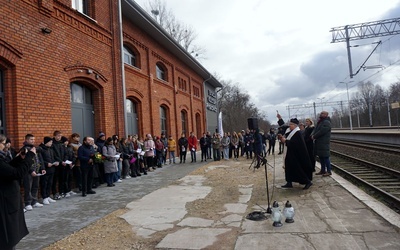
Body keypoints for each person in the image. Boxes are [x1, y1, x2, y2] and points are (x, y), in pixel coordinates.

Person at [0, 134, 36, 250]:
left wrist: (19, 158)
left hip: (8, 199)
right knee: (8, 235)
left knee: (12, 233)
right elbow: (16, 173)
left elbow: (8, 168)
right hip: (4, 202)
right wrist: (30, 157)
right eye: (4, 143)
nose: (6, 146)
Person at [277, 117, 313, 190]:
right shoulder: (292, 132)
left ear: (295, 125)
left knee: (298, 169)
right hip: (290, 154)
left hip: (296, 156)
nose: (289, 125)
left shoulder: (297, 133)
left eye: (291, 124)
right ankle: (289, 182)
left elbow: (296, 144)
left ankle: (307, 181)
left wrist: (285, 141)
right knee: (288, 168)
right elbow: (284, 128)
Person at [22, 134, 45, 211]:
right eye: (31, 139)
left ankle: (34, 201)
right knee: (28, 188)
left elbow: (39, 159)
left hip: (37, 170)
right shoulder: (24, 149)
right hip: (28, 173)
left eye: (33, 139)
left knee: (35, 186)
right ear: (26, 140)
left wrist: (42, 168)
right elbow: (25, 162)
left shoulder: (35, 149)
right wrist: (31, 170)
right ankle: (28, 203)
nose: (33, 141)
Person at [311, 111, 332, 176]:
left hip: (324, 142)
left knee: (325, 157)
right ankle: (323, 170)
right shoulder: (320, 121)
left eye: (323, 113)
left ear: (326, 115)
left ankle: (329, 171)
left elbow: (322, 131)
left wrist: (314, 136)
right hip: (320, 142)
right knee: (321, 157)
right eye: (321, 113)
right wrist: (312, 135)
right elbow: (316, 129)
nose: (321, 114)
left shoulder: (326, 122)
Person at [39, 137, 59, 205]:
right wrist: (47, 164)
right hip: (45, 169)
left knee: (50, 183)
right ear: (46, 142)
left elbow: (52, 158)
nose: (51, 143)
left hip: (52, 169)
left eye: (51, 142)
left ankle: (48, 196)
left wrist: (55, 162)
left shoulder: (50, 149)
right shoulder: (41, 149)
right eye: (50, 142)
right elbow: (40, 160)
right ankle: (44, 197)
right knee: (44, 183)